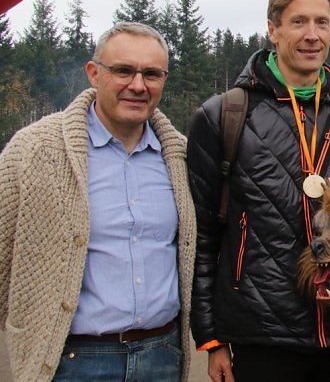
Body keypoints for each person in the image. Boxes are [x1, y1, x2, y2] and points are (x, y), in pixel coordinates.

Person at [187, 0, 330, 382]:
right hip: (262, 335)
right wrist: (211, 337)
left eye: (322, 23)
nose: (312, 35)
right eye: (298, 22)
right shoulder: (224, 116)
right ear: (272, 30)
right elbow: (202, 237)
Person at [0, 22, 195, 382]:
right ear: (93, 73)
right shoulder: (34, 151)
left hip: (162, 356)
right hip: (70, 361)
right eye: (123, 70)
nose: (138, 85)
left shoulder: (181, 158)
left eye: (151, 74)